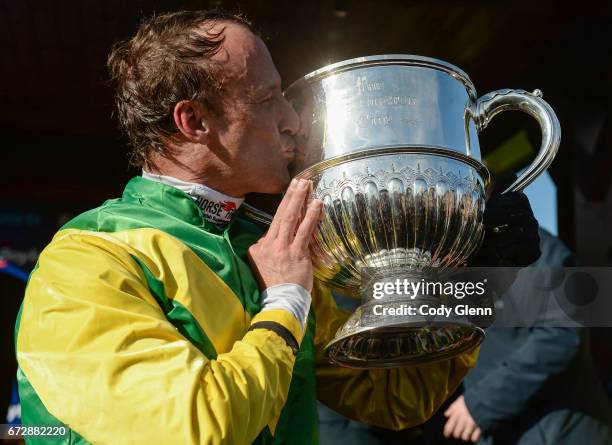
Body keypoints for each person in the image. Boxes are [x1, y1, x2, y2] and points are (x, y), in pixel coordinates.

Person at [14, 10, 537, 445]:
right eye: (267, 99)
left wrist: (478, 281)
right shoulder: (87, 260)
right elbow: (195, 430)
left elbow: (396, 396)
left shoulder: (275, 243)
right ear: (194, 121)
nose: (295, 121)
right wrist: (284, 303)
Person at [443, 229, 612, 444]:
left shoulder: (537, 250)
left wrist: (481, 405)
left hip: (558, 433)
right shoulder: (461, 256)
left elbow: (562, 335)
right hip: (502, 431)